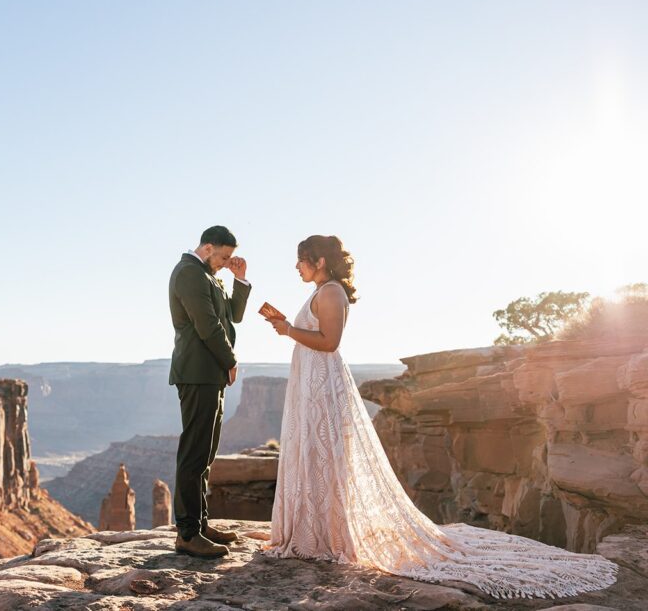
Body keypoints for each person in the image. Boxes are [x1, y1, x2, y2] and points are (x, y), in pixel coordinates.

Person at [262, 234, 618, 599]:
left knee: (325, 454)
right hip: (311, 380)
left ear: (320, 261)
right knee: (312, 452)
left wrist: (288, 329)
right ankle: (313, 530)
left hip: (322, 384)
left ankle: (324, 535)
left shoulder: (331, 292)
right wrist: (288, 328)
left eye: (302, 259)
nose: (297, 266)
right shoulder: (322, 290)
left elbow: (330, 341)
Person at [168, 225, 250, 558]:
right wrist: (230, 360)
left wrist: (240, 280)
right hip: (198, 373)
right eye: (224, 257)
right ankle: (187, 533)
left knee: (206, 452)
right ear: (208, 247)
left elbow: (233, 316)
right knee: (193, 452)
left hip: (210, 374)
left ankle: (200, 524)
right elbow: (208, 326)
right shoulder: (189, 273)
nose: (226, 262)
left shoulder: (208, 275)